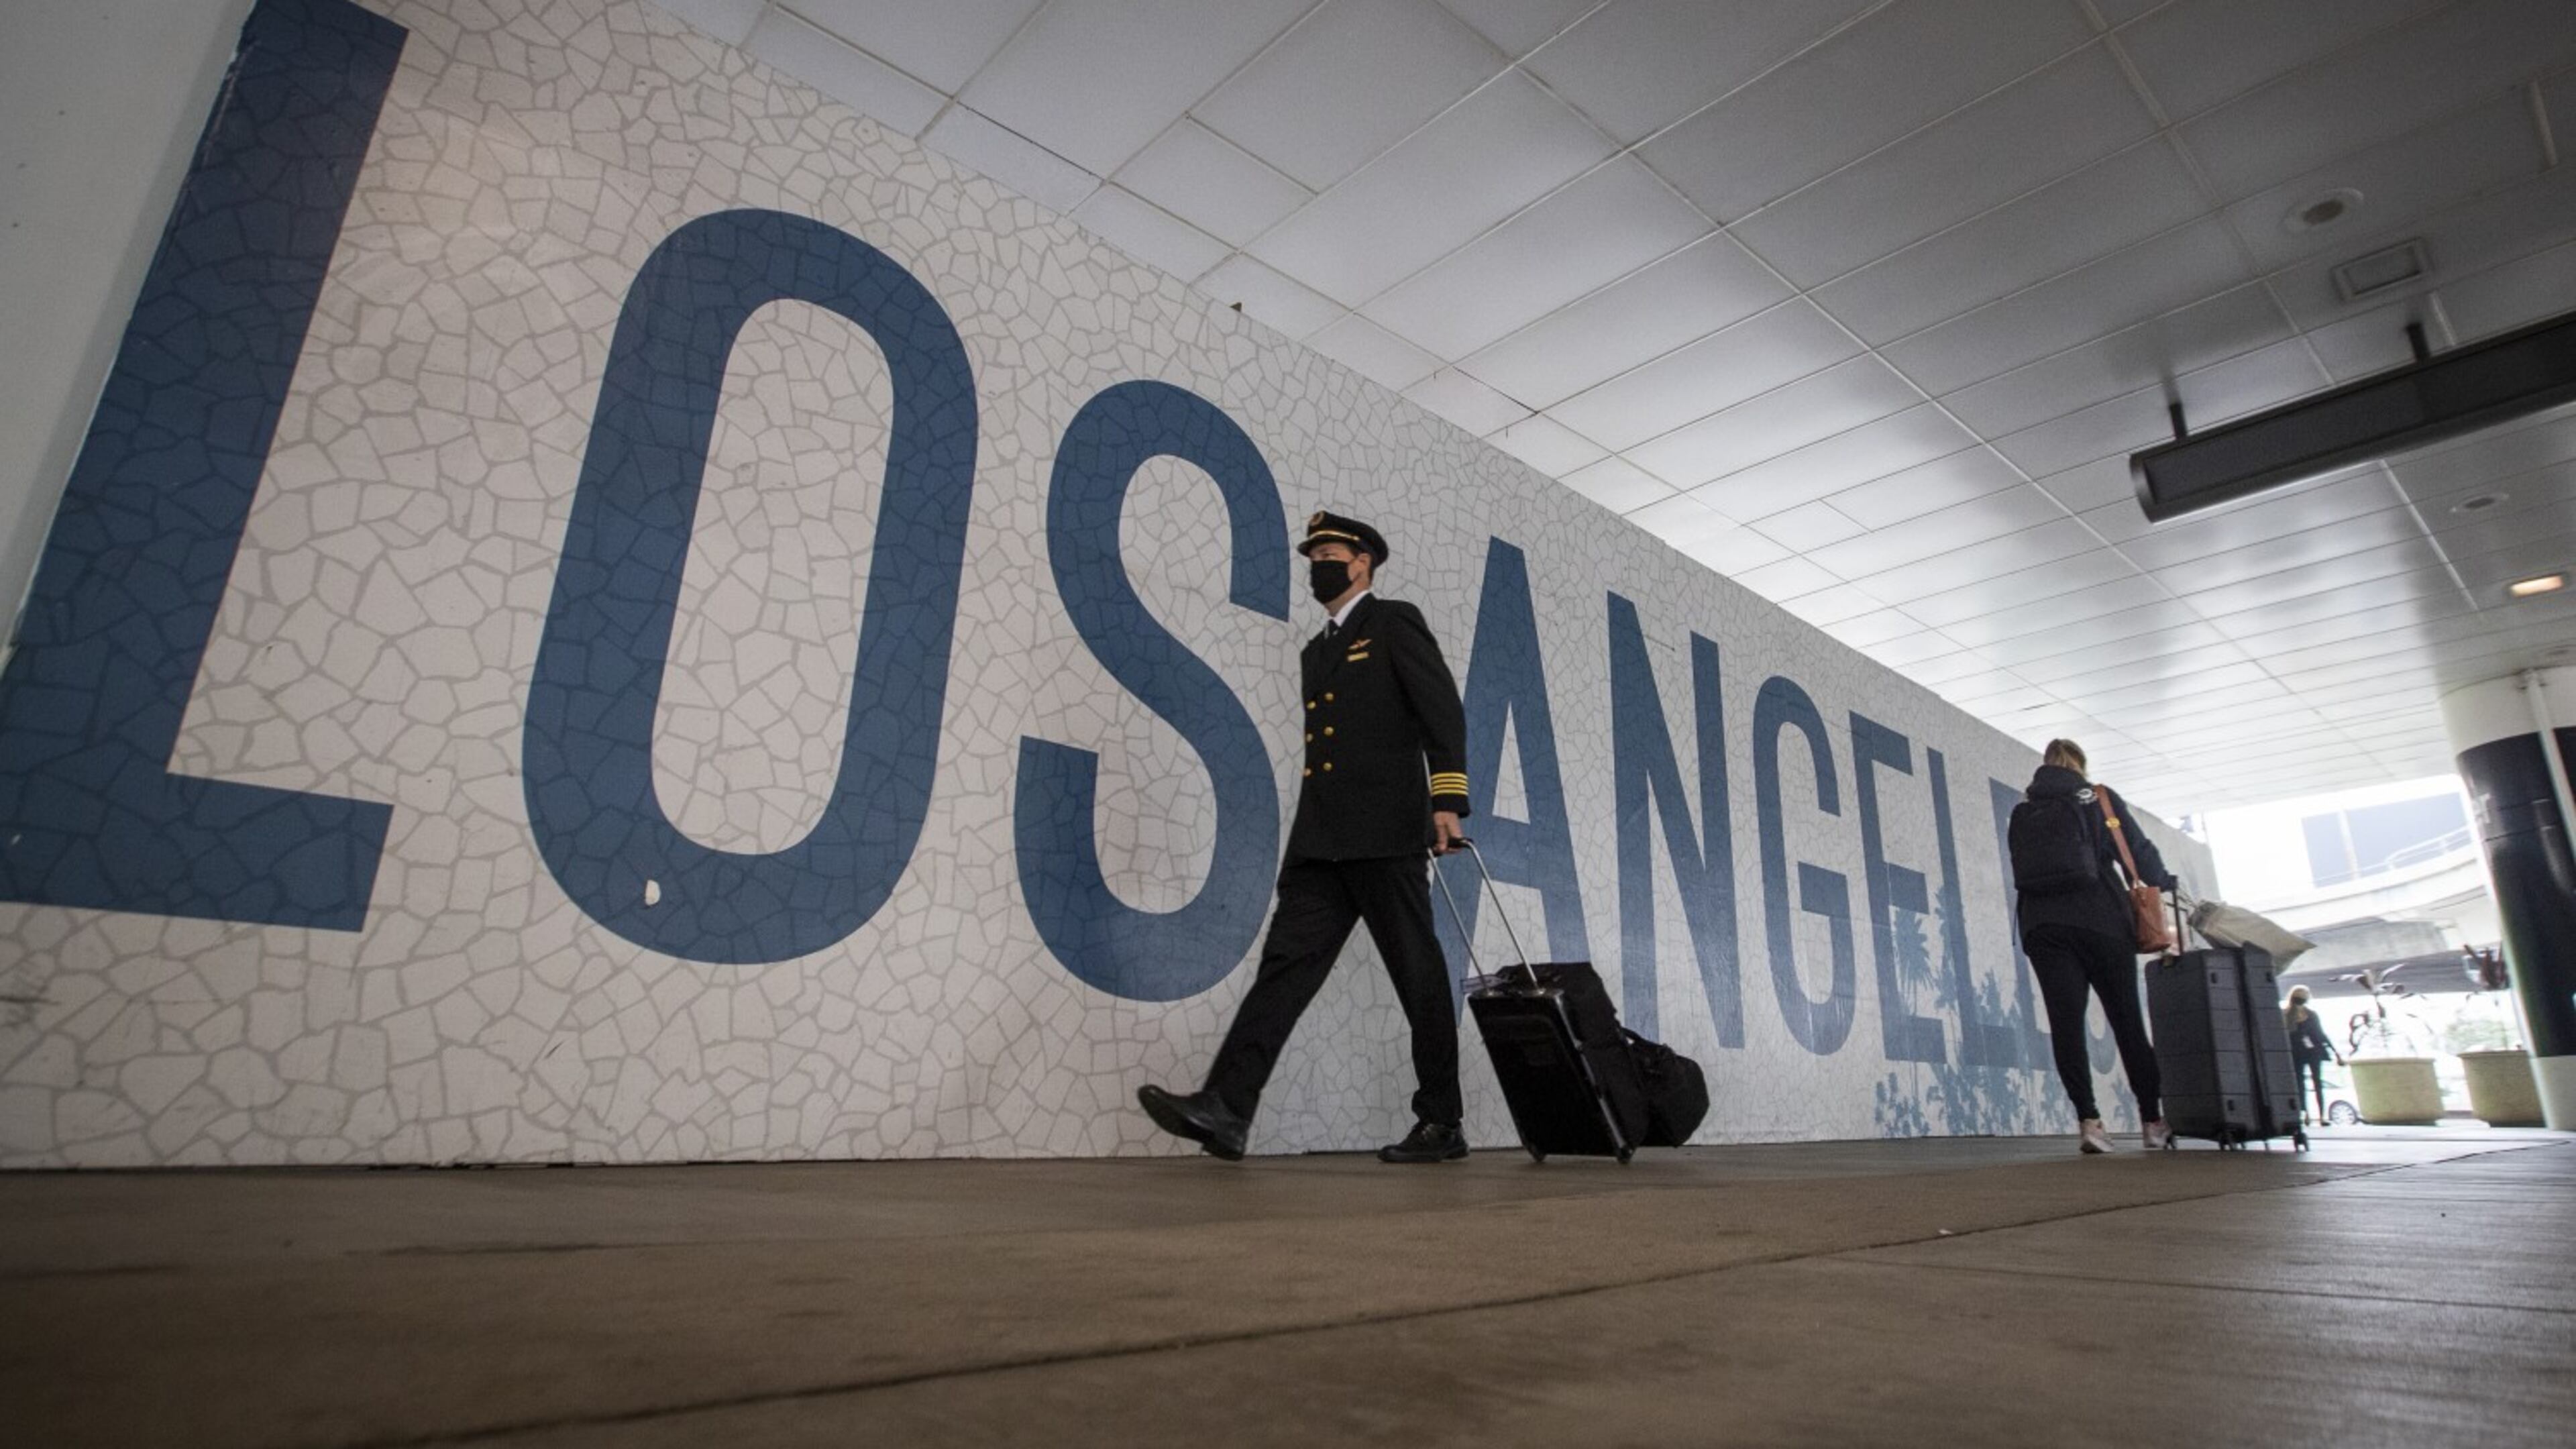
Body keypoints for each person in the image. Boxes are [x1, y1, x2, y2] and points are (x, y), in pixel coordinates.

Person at [1136, 511, 1474, 1164]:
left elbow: (1442, 710)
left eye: (1328, 550)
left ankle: (1443, 1121)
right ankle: (1229, 1108)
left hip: (1384, 834)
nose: (1317, 560)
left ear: (1362, 562)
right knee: (1284, 972)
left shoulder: (1393, 621)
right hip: (1321, 843)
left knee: (1420, 978)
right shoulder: (1316, 651)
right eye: (1312, 551)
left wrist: (1448, 800)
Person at [2012, 739, 2176, 1154]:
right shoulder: (2098, 799)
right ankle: (2153, 1121)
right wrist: (2166, 883)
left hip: (2044, 927)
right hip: (2103, 922)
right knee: (2127, 1022)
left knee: (2067, 1027)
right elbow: (2138, 854)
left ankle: (2089, 1122)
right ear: (2079, 766)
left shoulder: (2026, 809)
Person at [2285, 985, 2340, 1124]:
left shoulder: (2311, 1015)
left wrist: (2335, 1052)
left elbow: (2320, 1035)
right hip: (2297, 1051)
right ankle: (2305, 1114)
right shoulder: (2287, 1015)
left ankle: (2321, 1115)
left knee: (2316, 1082)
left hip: (2312, 1051)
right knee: (2300, 1083)